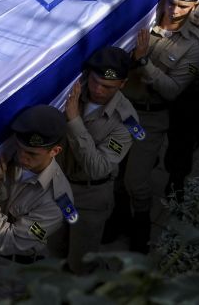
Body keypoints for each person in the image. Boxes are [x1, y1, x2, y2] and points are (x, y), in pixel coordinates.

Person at [121, 0, 199, 253]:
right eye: (171, 3)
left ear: (194, 6)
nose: (175, 10)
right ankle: (117, 218)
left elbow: (171, 90)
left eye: (183, 6)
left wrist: (144, 61)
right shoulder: (142, 22)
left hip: (149, 118)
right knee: (115, 170)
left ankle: (141, 224)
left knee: (136, 180)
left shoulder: (193, 46)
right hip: (121, 109)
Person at [0, 104, 72, 304]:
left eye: (32, 154)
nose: (22, 157)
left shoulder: (57, 201)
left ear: (55, 151)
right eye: (21, 148)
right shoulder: (6, 157)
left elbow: (7, 242)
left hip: (12, 269)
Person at [58, 47, 138, 272]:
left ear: (122, 84)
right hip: (60, 188)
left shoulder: (127, 121)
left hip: (91, 196)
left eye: (108, 86)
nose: (99, 90)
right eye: (95, 82)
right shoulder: (72, 92)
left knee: (81, 262)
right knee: (55, 249)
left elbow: (98, 168)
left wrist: (74, 121)